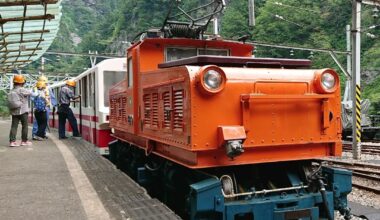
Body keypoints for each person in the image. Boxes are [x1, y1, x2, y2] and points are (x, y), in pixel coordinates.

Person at [7, 74, 32, 147]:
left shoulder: (12, 90)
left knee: (14, 126)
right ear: (22, 82)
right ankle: (24, 141)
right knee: (25, 126)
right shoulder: (22, 89)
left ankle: (12, 141)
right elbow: (30, 93)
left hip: (14, 111)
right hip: (23, 111)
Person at [32, 75, 57, 140]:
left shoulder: (34, 88)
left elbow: (32, 99)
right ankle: (40, 134)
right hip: (46, 107)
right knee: (44, 121)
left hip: (37, 108)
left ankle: (37, 134)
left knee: (37, 121)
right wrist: (55, 106)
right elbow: (52, 97)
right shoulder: (48, 88)